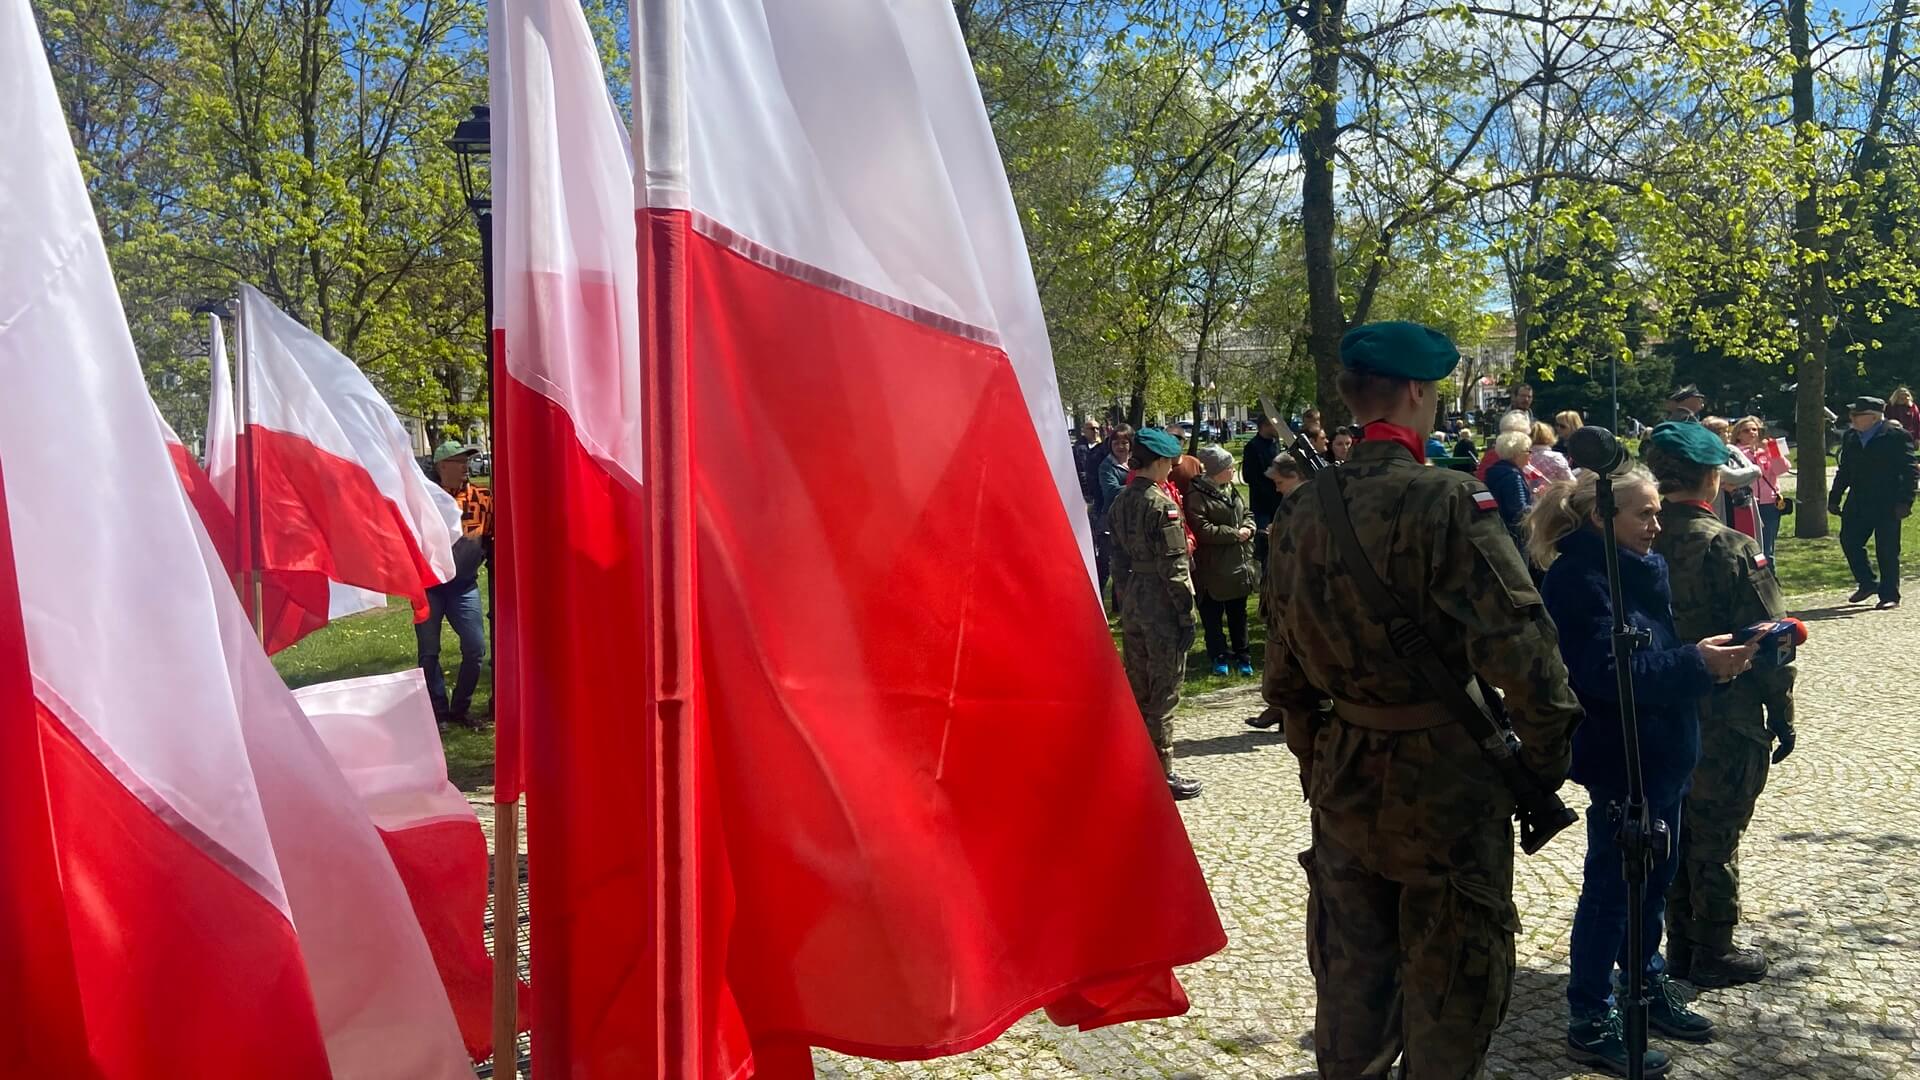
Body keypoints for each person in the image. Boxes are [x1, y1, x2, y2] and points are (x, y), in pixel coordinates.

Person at [1266, 320, 1583, 1078]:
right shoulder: (1448, 499)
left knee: (1352, 980)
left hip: (1345, 772)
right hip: (1446, 779)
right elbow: (1524, 655)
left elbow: (1283, 671)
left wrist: (1320, 759)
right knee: (1451, 986)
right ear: (1416, 392)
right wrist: (1541, 766)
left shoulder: (1302, 509)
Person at [1532, 461, 1755, 1077]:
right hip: (1622, 762)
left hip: (1664, 758)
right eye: (1645, 513)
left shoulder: (1637, 568)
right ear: (1600, 517)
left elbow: (1652, 654)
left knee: (1655, 883)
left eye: (1658, 511)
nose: (1657, 524)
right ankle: (1589, 1017)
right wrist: (1696, 664)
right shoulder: (1579, 579)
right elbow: (1605, 674)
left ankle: (1645, 984)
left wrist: (1707, 660)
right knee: (1613, 891)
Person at [1645, 423, 1797, 992]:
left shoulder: (1633, 542)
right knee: (1714, 834)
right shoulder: (1731, 547)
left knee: (1670, 829)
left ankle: (1677, 945)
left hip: (1655, 710)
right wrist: (1782, 713)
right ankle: (1711, 948)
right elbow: (1770, 641)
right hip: (1723, 714)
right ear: (1712, 478)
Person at [1107, 427, 1204, 801]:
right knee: (1164, 693)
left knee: (1140, 687)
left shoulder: (1121, 501)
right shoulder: (1161, 505)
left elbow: (1117, 559)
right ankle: (1161, 773)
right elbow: (1175, 568)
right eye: (1170, 463)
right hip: (1162, 603)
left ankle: (1138, 764)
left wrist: (1126, 593)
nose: (1171, 469)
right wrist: (1186, 614)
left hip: (1135, 598)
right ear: (1160, 461)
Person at [418, 440, 493, 728]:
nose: (465, 467)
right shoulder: (425, 499)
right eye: (459, 461)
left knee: (475, 649)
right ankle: (439, 712)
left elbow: (492, 537)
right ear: (441, 466)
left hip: (464, 587)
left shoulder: (482, 498)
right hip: (429, 587)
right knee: (429, 652)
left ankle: (460, 710)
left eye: (466, 461)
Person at [1831, 396, 1917, 609]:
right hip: (1858, 499)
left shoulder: (1895, 436)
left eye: (1857, 414)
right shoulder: (1851, 437)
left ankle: (1889, 595)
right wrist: (1835, 497)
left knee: (1887, 549)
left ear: (1873, 417)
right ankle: (1867, 582)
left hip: (1887, 501)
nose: (1852, 418)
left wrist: (1906, 501)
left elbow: (1909, 470)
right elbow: (1845, 470)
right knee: (1849, 540)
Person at [1189, 445, 1257, 677]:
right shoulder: (1197, 495)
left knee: (1238, 613)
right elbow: (1202, 528)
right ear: (1217, 470)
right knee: (1213, 616)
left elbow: (1246, 512)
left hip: (1237, 564)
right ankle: (1219, 656)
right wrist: (1234, 534)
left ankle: (1243, 655)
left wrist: (1249, 527)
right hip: (1213, 567)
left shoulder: (1230, 489)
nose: (1233, 470)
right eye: (1229, 467)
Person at [1732, 416, 1788, 559]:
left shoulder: (1767, 449)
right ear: (1738, 435)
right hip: (1747, 504)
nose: (1752, 433)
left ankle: (1769, 572)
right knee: (1748, 547)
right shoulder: (1734, 453)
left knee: (1768, 549)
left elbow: (1782, 469)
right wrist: (1748, 453)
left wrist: (1772, 451)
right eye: (1746, 431)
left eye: (1754, 429)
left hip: (1770, 504)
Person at [1091, 425, 1135, 600]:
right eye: (1116, 442)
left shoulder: (1136, 462)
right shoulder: (1106, 466)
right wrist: (1138, 486)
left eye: (1124, 442)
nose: (1120, 446)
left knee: (1128, 566)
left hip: (1132, 520)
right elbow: (1111, 492)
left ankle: (1120, 606)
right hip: (1110, 522)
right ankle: (1097, 602)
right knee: (1106, 565)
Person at [1701, 416, 1761, 536]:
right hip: (1721, 506)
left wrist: (1735, 485)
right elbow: (1730, 476)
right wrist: (1751, 472)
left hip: (1743, 502)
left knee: (1748, 538)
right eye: (1724, 432)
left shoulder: (1732, 450)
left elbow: (1757, 473)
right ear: (1714, 435)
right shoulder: (1707, 454)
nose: (1728, 434)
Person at [1244, 416, 1283, 575]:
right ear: (1264, 426)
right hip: (1262, 504)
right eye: (1273, 425)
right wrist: (1268, 478)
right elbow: (1248, 476)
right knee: (1264, 542)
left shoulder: (1276, 444)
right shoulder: (1252, 447)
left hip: (1278, 501)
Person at [1485, 431, 1535, 556]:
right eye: (1528, 451)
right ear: (1517, 454)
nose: (1531, 455)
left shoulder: (1495, 470)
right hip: (1515, 538)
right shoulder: (1513, 476)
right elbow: (1520, 512)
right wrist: (1540, 505)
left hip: (1498, 530)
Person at [1072, 419, 1102, 506]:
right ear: (1084, 431)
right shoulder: (1080, 449)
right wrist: (1088, 495)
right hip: (1089, 494)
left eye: (1097, 428)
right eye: (1092, 429)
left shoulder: (1101, 446)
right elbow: (1083, 472)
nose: (1095, 431)